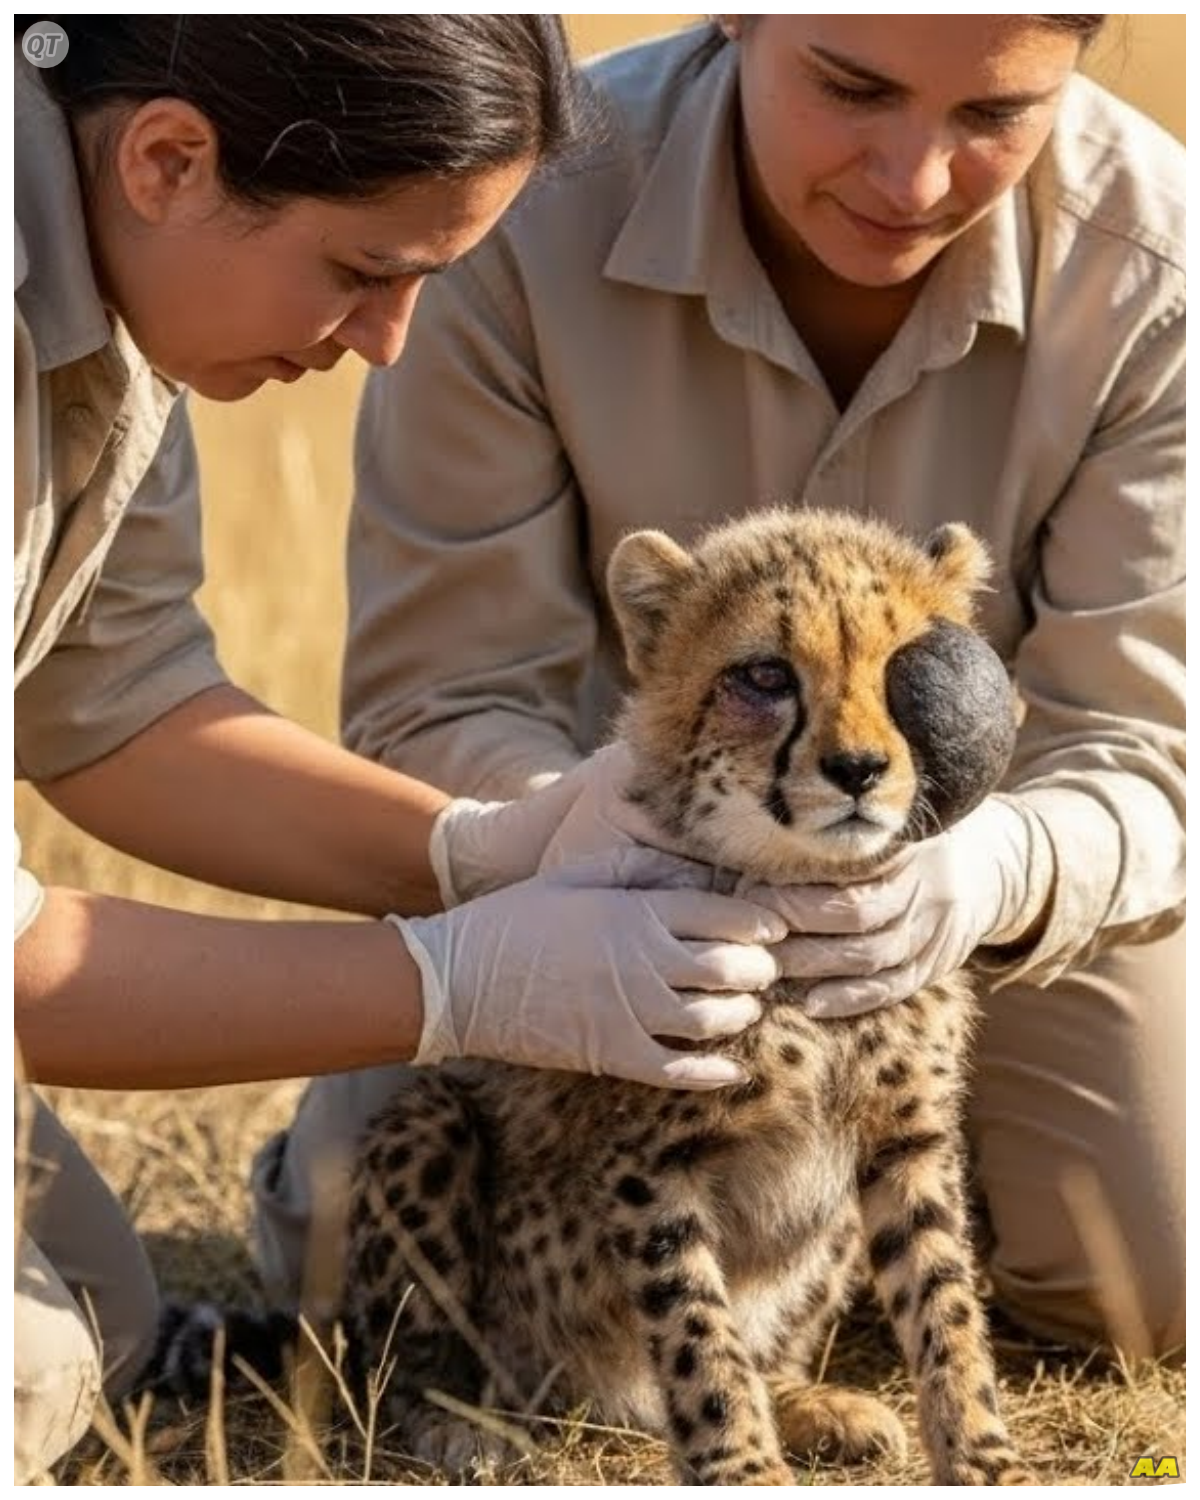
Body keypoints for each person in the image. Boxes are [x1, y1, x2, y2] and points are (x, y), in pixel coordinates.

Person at [256, 15, 1185, 1360]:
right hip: (610, 860)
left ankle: (879, 1209)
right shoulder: (507, 205)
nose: (913, 178)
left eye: (994, 116)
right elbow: (434, 701)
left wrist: (993, 873)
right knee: (350, 1260)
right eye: (852, 87)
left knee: (1153, 1285)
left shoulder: (1159, 267)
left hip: (967, 865)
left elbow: (1149, 749)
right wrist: (594, 841)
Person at [13, 16, 793, 1481]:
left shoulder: (127, 273)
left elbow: (114, 701)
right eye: (364, 271)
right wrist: (453, 984)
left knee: (107, 1316)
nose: (388, 342)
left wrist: (481, 850)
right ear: (170, 159)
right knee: (29, 1368)